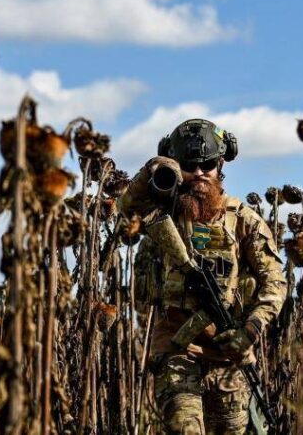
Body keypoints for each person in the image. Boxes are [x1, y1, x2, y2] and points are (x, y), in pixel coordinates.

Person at [118, 119, 287, 435]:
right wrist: (155, 167)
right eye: (189, 165)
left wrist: (250, 330)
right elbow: (126, 207)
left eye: (207, 164)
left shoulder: (243, 221)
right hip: (177, 349)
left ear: (220, 165)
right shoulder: (165, 213)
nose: (198, 173)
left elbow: (274, 283)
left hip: (228, 352)